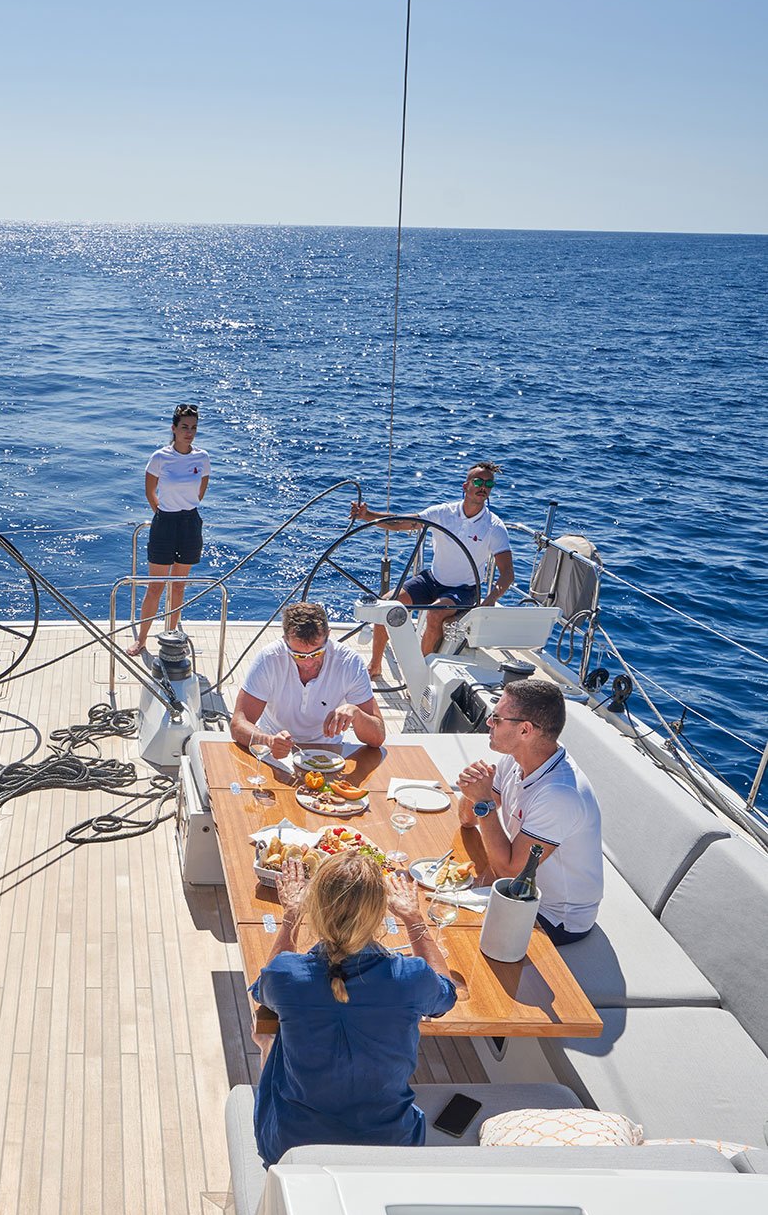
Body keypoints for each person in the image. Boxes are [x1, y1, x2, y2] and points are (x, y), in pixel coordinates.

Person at [251, 851, 457, 1160]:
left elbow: (264, 992)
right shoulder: (410, 977)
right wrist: (414, 918)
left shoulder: (286, 974)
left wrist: (291, 916)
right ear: (380, 915)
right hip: (389, 1147)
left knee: (268, 1037)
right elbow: (447, 994)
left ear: (315, 909)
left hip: (292, 1146)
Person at [454, 675, 603, 943]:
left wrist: (485, 803)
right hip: (516, 890)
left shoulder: (560, 795)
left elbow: (509, 872)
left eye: (496, 719)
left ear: (525, 730)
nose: (489, 722)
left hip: (552, 917)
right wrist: (474, 792)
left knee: (444, 921)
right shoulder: (515, 761)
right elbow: (466, 820)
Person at [353, 461, 515, 680]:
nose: (483, 486)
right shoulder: (443, 513)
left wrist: (492, 597)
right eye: (478, 481)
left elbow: (507, 573)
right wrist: (367, 515)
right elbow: (401, 523)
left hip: (464, 590)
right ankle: (374, 666)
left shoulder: (494, 527)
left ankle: (419, 677)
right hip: (432, 580)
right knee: (388, 603)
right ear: (465, 486)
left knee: (435, 613)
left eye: (488, 483)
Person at [231, 601, 384, 756]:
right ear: (285, 641)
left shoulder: (349, 662)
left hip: (327, 753)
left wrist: (356, 714)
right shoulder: (269, 658)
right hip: (273, 752)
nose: (309, 662)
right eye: (298, 655)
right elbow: (238, 723)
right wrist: (268, 741)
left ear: (328, 635)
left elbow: (378, 737)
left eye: (317, 652)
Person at [126, 403, 209, 657]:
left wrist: (184, 511)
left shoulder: (202, 458)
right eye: (184, 427)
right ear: (174, 428)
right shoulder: (160, 457)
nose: (189, 432)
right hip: (164, 523)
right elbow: (150, 492)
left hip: (190, 524)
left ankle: (171, 639)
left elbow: (201, 491)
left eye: (193, 428)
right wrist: (163, 514)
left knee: (178, 587)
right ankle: (141, 641)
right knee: (156, 586)